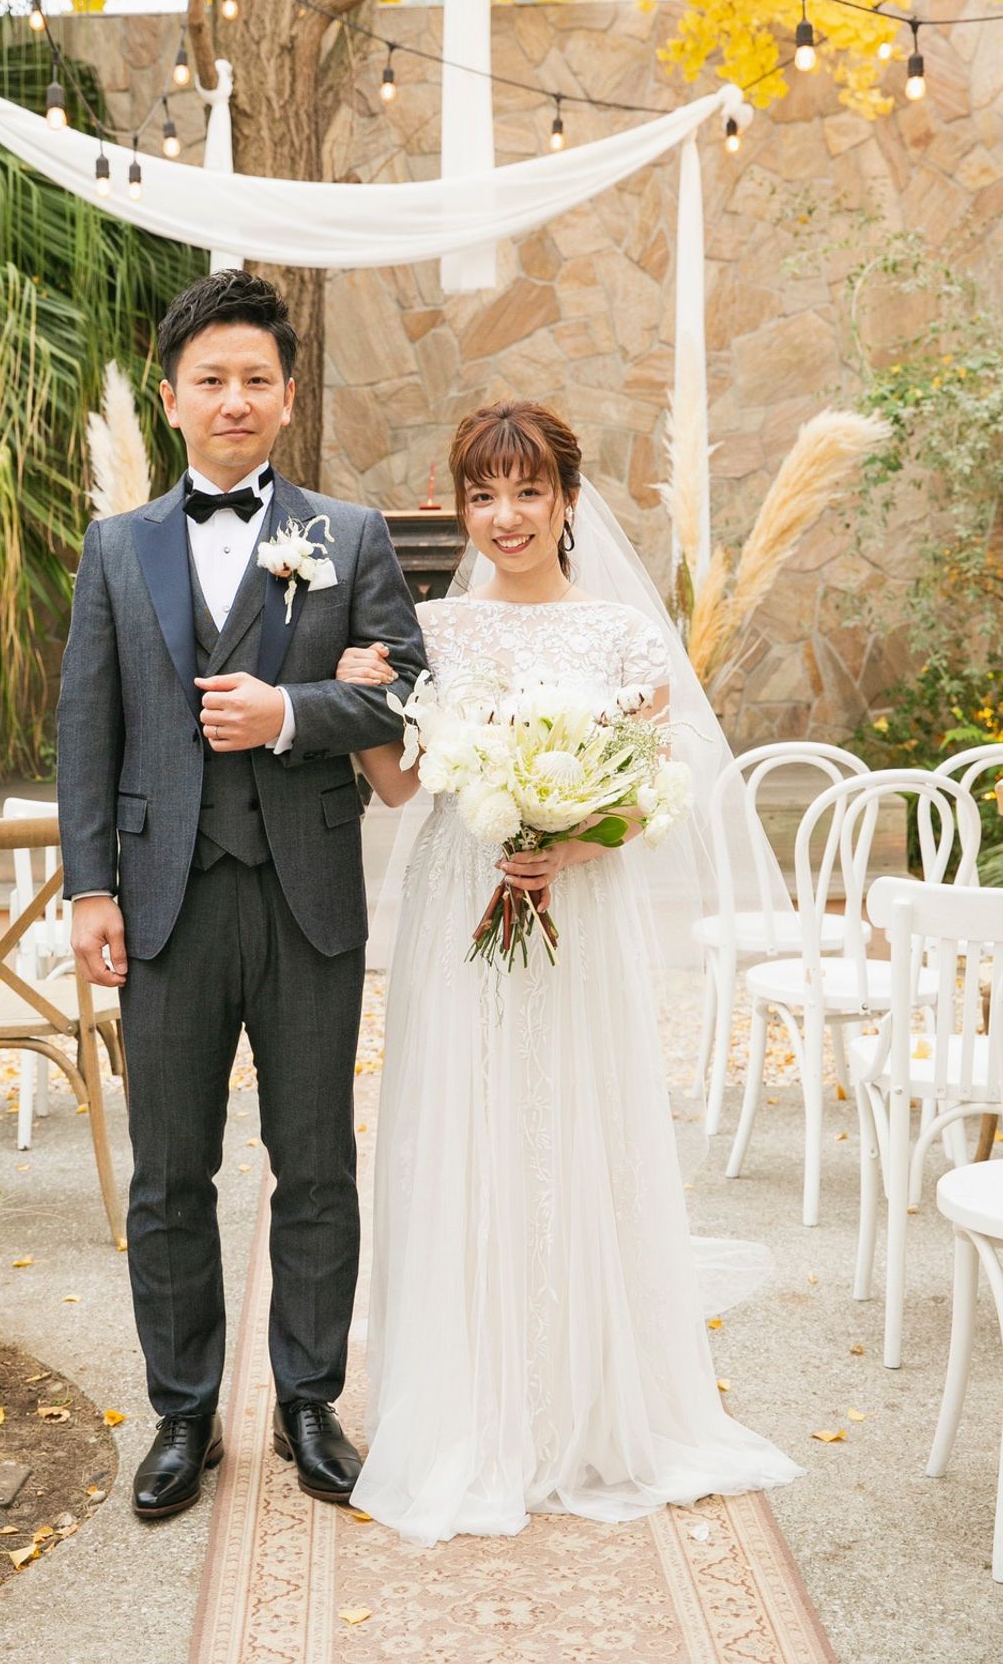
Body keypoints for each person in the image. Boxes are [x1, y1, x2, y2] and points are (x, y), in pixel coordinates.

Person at [339, 399, 802, 1545]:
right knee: (465, 1124)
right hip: (460, 905)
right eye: (482, 494)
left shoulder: (621, 637)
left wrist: (565, 843)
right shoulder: (433, 633)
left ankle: (582, 1403)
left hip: (573, 915)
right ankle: (468, 1403)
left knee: (569, 1127)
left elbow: (650, 795)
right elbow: (400, 787)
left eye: (527, 491)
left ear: (566, 500)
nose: (505, 515)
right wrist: (359, 699)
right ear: (462, 508)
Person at [56, 271, 426, 1521]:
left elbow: (405, 695)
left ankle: (308, 1402)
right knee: (170, 1171)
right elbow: (87, 726)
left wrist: (290, 712)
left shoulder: (349, 536)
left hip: (307, 891)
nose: (233, 399)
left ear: (286, 396)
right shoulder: (117, 548)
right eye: (209, 379)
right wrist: (89, 887)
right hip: (162, 899)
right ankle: (182, 1413)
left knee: (314, 1160)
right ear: (170, 398)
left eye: (254, 379)